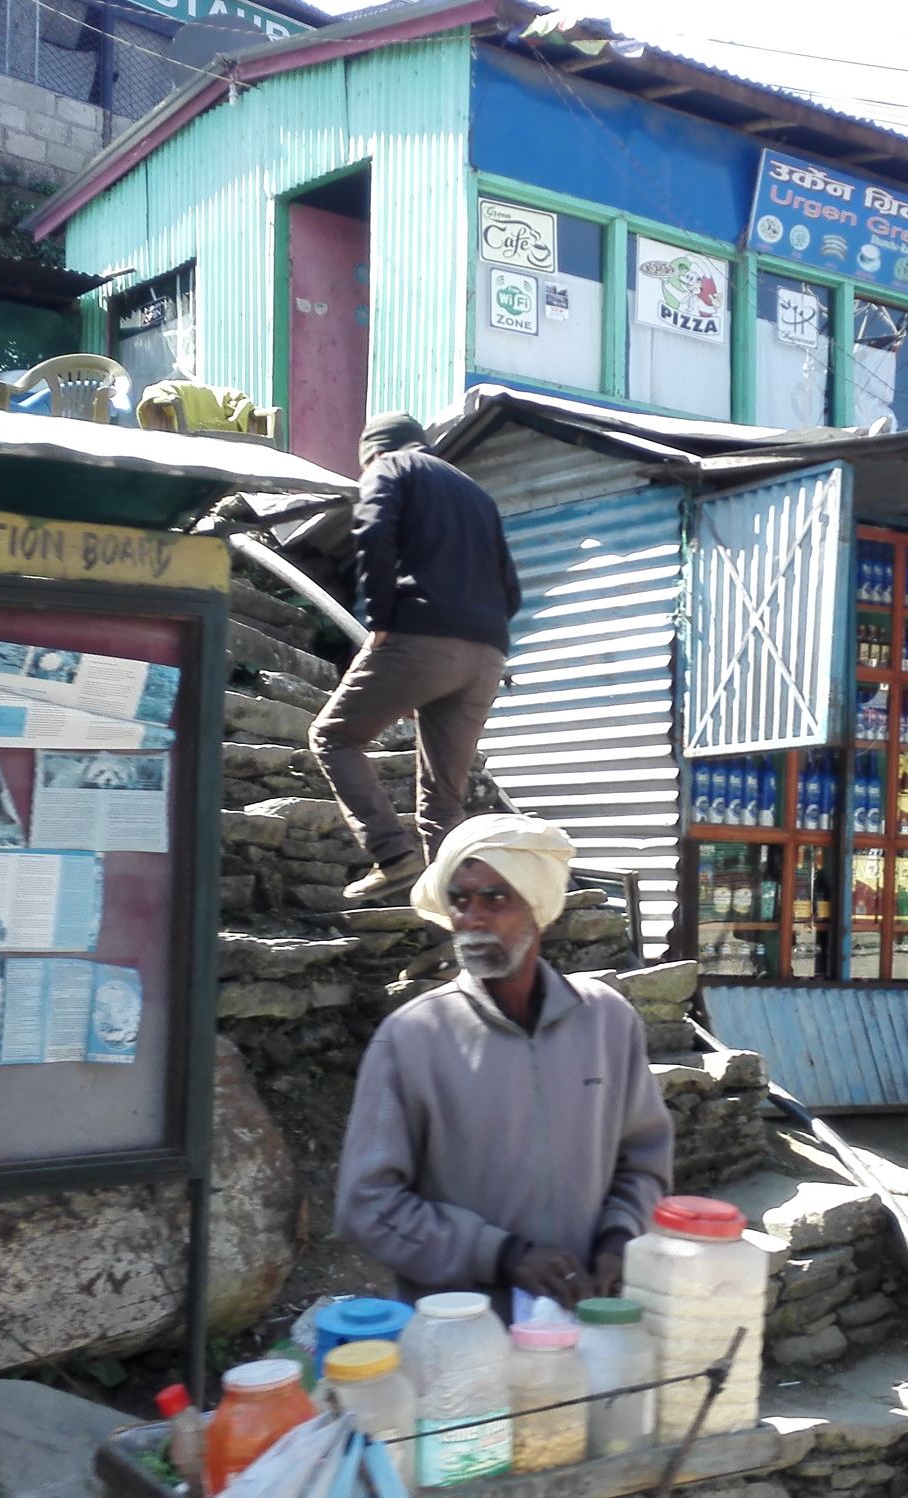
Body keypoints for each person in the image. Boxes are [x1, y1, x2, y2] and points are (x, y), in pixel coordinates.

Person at [335, 814, 674, 1314]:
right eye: (460, 900)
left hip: (586, 1319)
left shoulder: (606, 1021)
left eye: (495, 898)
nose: (473, 917)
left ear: (536, 909)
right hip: (460, 1340)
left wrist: (619, 1239)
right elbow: (368, 1205)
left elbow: (643, 1161)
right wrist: (501, 1255)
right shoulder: (412, 1039)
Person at [312, 412, 524, 902]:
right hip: (486, 656)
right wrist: (484, 630)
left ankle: (392, 855)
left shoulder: (389, 468)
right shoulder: (477, 494)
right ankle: (451, 943)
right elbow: (510, 588)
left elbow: (372, 529)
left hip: (420, 638)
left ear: (374, 451)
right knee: (444, 805)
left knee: (333, 737)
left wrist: (382, 615)